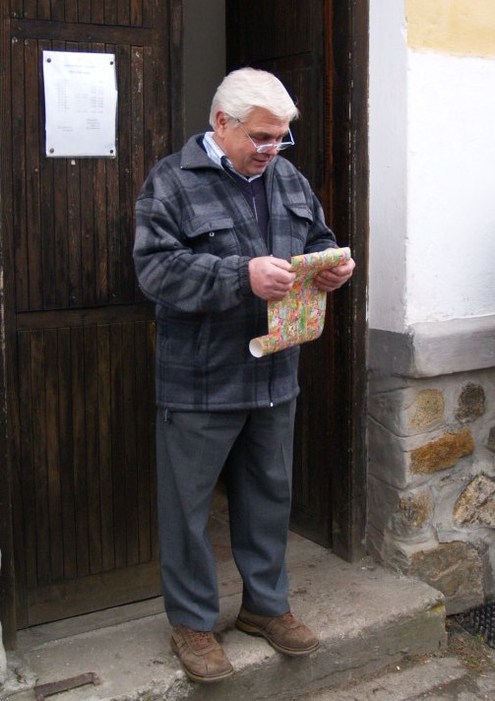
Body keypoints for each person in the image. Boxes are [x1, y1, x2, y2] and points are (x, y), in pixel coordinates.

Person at [133, 67, 355, 684]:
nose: (272, 149)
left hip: (275, 369)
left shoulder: (288, 177)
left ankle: (265, 606)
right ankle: (193, 623)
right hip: (200, 377)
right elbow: (155, 271)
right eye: (261, 136)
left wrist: (331, 266)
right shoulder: (172, 180)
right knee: (188, 507)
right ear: (221, 123)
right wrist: (241, 275)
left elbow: (318, 237)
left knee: (268, 495)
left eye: (281, 137)